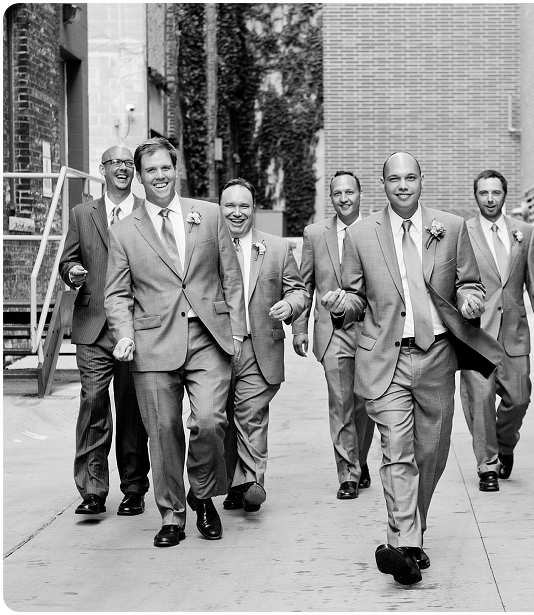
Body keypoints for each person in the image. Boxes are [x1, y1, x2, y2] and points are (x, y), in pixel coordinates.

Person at [322, 152, 503, 585]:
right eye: (394, 179)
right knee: (396, 451)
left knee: (431, 453)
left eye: (410, 177)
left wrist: (470, 299)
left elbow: (469, 282)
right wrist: (340, 304)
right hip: (386, 355)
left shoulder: (452, 227)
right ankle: (405, 543)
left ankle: (412, 527)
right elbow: (355, 296)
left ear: (422, 180)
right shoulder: (363, 235)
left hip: (438, 354)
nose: (402, 185)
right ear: (383, 184)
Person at [104, 137, 247, 548]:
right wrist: (125, 334)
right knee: (163, 432)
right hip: (152, 343)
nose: (160, 176)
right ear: (140, 177)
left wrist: (235, 328)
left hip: (208, 338)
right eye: (151, 170)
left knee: (209, 422)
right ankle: (171, 515)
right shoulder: (123, 232)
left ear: (176, 169)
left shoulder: (210, 214)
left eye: (166, 167)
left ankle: (202, 495)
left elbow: (230, 275)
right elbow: (116, 294)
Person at [59, 145, 150, 517]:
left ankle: (133, 488)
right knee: (93, 403)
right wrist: (73, 273)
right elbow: (68, 260)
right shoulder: (83, 214)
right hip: (93, 325)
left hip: (134, 326)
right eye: (116, 163)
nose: (123, 168)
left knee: (133, 410)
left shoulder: (147, 213)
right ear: (103, 169)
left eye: (129, 163)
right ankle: (93, 490)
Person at [459, 170, 534, 492]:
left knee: (520, 398)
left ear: (504, 195)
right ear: (476, 196)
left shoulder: (524, 232)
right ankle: (487, 467)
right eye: (483, 193)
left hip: (514, 330)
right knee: (481, 400)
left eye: (495, 193)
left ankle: (503, 445)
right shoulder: (463, 232)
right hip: (477, 332)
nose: (489, 199)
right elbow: (453, 282)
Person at [218, 178, 306, 512]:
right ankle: (232, 483)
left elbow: (298, 290)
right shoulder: (206, 245)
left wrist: (291, 306)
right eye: (230, 205)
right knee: (220, 420)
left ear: (254, 209)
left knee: (250, 415)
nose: (237, 213)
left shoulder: (277, 248)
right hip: (216, 347)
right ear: (220, 208)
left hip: (260, 348)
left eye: (244, 206)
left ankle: (251, 483)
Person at [292, 171, 375, 500]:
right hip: (333, 330)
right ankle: (348, 473)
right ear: (331, 197)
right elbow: (304, 284)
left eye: (350, 192)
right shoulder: (315, 234)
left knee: (365, 403)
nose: (344, 198)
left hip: (370, 329)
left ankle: (360, 459)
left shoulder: (375, 230)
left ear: (360, 194)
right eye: (337, 193)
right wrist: (299, 328)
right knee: (341, 402)